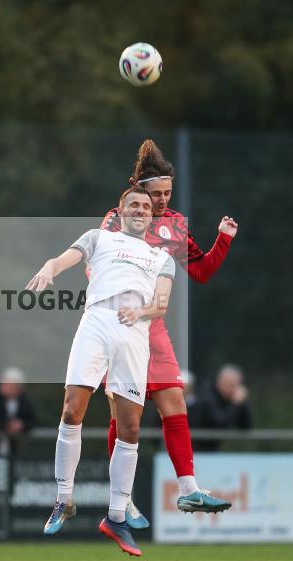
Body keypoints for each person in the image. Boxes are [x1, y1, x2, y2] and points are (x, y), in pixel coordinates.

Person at [30, 186, 173, 557]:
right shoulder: (99, 238)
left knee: (130, 427)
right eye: (134, 205)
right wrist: (50, 267)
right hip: (96, 320)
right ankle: (64, 500)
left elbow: (161, 304)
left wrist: (140, 313)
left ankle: (115, 517)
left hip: (133, 329)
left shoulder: (161, 257)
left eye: (146, 206)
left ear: (151, 215)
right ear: (121, 211)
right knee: (70, 409)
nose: (141, 210)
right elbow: (68, 258)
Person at [99, 139, 236, 525]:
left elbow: (201, 271)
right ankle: (120, 498)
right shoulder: (117, 219)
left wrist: (223, 239)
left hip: (152, 325)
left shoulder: (175, 225)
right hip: (121, 324)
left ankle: (189, 490)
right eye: (155, 193)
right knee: (125, 419)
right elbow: (96, 264)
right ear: (139, 191)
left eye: (166, 193)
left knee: (175, 404)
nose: (160, 200)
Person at [189, 364, 251, 452]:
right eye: (232, 385)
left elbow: (245, 426)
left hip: (210, 450)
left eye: (238, 386)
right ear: (221, 382)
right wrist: (236, 404)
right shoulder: (207, 395)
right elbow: (219, 423)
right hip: (192, 449)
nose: (236, 390)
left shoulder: (231, 398)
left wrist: (243, 403)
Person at [0, 367, 37, 435]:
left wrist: (22, 425)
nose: (2, 387)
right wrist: (7, 425)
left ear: (18, 388)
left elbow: (32, 421)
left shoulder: (25, 402)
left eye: (8, 385)